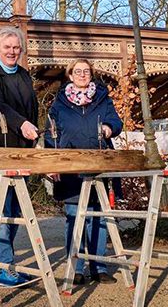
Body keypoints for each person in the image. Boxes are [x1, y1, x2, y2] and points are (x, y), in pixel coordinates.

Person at [46, 58, 122, 285]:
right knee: (74, 216)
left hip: (98, 164)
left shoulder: (102, 98)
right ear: (70, 75)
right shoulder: (58, 104)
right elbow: (51, 134)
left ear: (91, 74)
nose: (82, 75)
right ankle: (76, 266)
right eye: (77, 71)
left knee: (98, 217)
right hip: (70, 167)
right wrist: (53, 163)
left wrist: (110, 127)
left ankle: (99, 267)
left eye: (86, 71)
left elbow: (116, 122)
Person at [0, 26, 38, 287]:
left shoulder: (24, 76)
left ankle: (6, 262)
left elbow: (32, 108)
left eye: (16, 48)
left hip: (22, 149)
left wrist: (33, 138)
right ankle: (3, 267)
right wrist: (21, 123)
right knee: (2, 209)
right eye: (7, 47)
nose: (12, 52)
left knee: (16, 210)